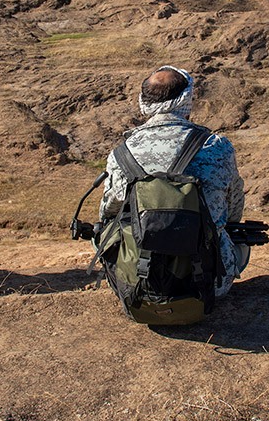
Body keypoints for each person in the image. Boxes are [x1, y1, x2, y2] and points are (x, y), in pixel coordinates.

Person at [99, 65, 249, 295]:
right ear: (186, 101)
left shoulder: (122, 153)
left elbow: (109, 211)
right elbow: (233, 210)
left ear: (144, 102)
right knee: (239, 242)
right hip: (208, 284)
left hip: (138, 283)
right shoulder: (218, 147)